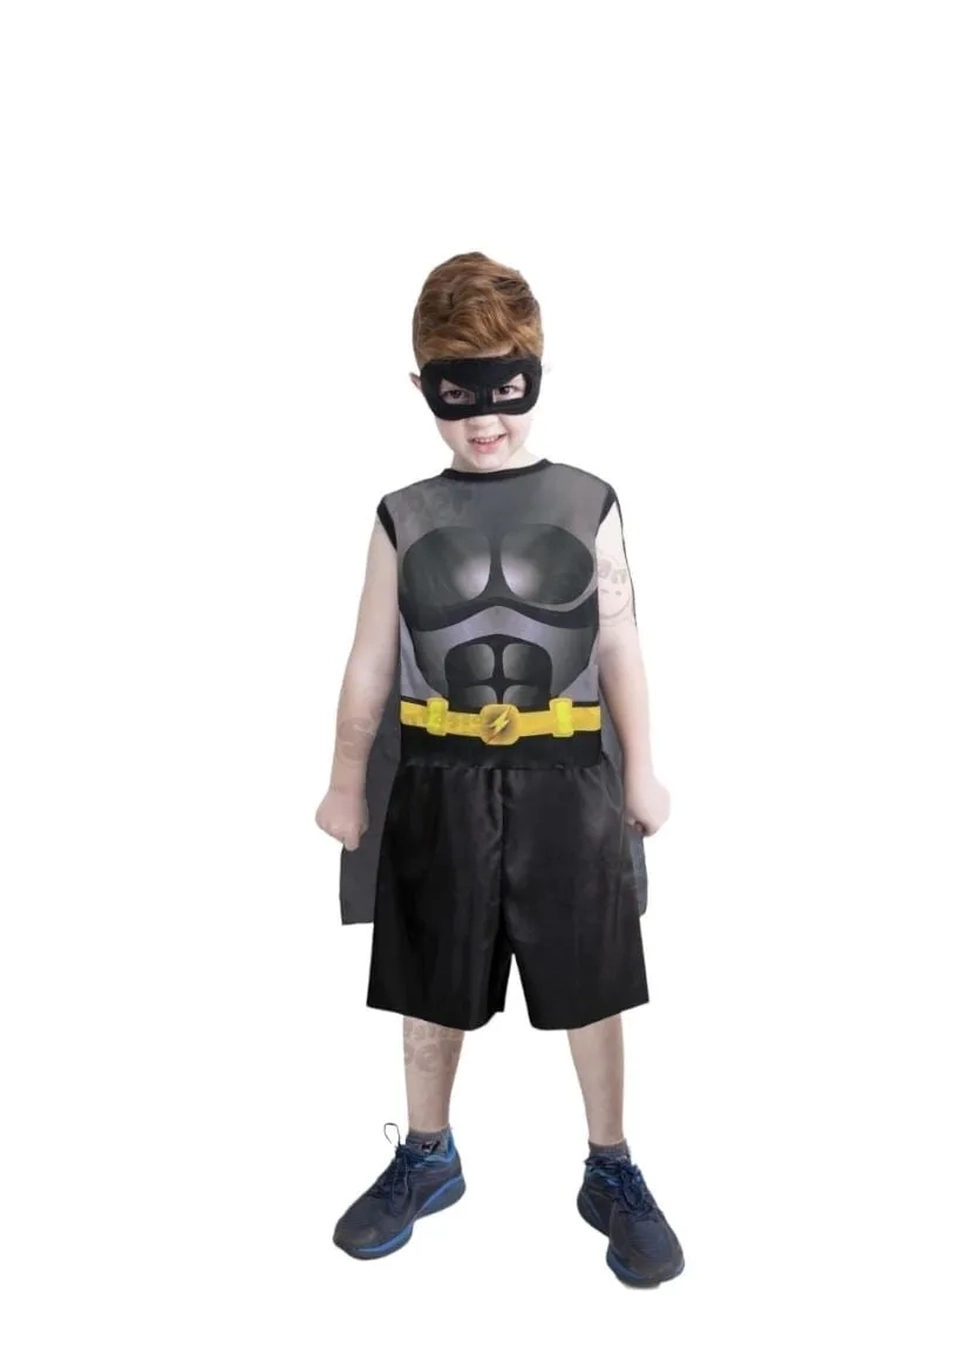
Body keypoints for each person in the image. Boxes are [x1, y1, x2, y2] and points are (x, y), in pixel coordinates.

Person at [314, 251, 684, 1287]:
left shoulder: (587, 498)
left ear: (536, 376)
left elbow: (620, 642)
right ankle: (428, 1154)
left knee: (591, 980)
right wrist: (344, 779)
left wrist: (643, 769)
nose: (484, 417)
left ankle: (610, 1164)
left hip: (569, 776)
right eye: (457, 394)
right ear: (423, 387)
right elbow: (370, 659)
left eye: (504, 389)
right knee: (429, 979)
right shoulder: (403, 514)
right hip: (436, 775)